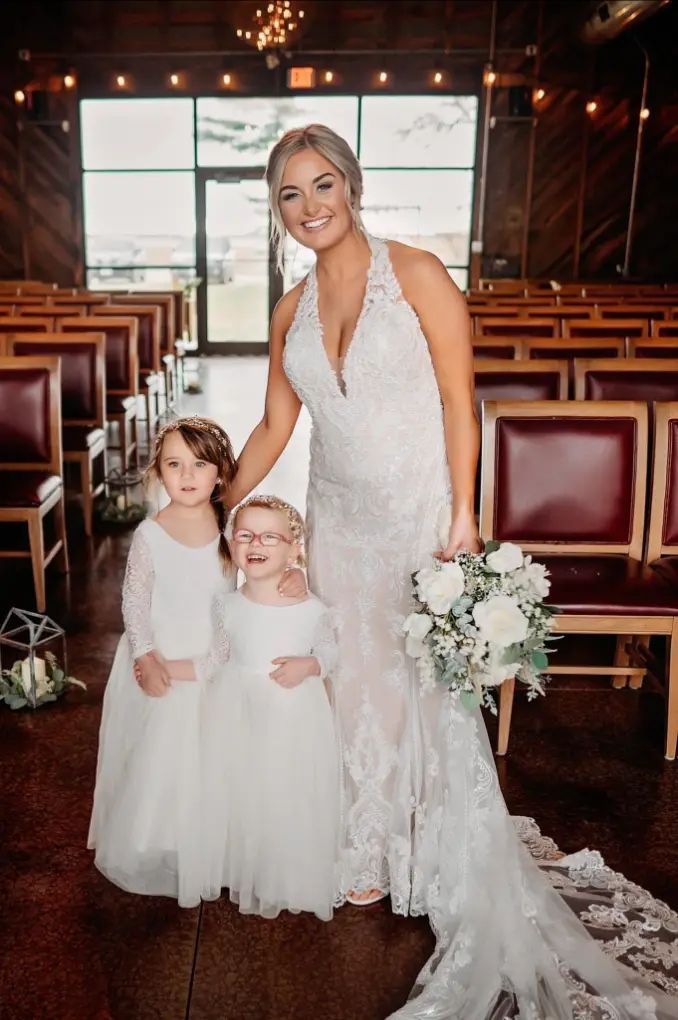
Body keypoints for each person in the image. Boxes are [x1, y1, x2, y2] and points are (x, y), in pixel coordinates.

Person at [223, 125, 678, 1018]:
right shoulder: (288, 308)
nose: (310, 206)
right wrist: (218, 506)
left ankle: (423, 847)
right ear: (277, 211)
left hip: (415, 516)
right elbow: (277, 426)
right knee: (349, 675)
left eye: (322, 185)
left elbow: (457, 401)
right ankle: (363, 841)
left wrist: (463, 513)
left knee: (414, 681)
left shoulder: (419, 274)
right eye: (289, 194)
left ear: (352, 186)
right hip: (336, 518)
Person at [88, 418, 306, 907]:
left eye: (200, 464)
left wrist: (293, 574)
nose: (187, 476)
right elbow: (134, 601)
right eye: (174, 464)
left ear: (221, 472)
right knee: (164, 753)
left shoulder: (229, 526)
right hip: (164, 654)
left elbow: (261, 562)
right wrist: (144, 653)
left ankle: (214, 838)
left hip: (213, 657)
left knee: (214, 752)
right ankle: (163, 836)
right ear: (157, 472)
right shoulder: (150, 534)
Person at [163, 495, 339, 921]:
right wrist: (166, 668)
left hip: (291, 718)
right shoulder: (226, 605)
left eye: (270, 537)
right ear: (232, 545)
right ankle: (239, 860)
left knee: (283, 789)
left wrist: (309, 666)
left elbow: (331, 653)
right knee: (239, 786)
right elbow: (216, 660)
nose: (255, 544)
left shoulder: (312, 609)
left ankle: (282, 866)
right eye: (245, 536)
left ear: (294, 551)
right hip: (236, 714)